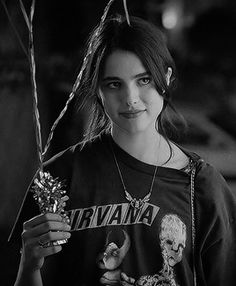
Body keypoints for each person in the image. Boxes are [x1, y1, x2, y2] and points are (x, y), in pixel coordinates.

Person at [13, 14, 236, 286]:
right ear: (97, 90)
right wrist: (29, 266)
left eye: (144, 80)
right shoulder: (59, 177)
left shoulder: (201, 185)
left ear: (165, 78)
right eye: (114, 84)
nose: (130, 99)